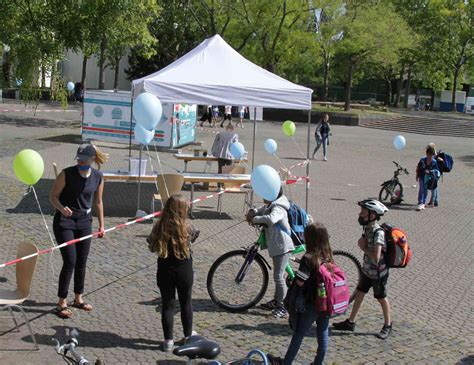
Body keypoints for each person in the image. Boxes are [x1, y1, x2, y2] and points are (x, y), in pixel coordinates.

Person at [49, 144, 108, 318]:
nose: (81, 162)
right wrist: (61, 208)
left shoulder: (98, 176)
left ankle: (78, 298)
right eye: (79, 160)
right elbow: (52, 197)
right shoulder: (66, 174)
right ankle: (61, 302)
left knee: (82, 261)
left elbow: (98, 202)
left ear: (91, 160)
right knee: (70, 261)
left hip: (84, 222)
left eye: (84, 160)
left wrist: (101, 225)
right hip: (65, 222)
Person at [267, 222, 332, 365]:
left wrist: (294, 277)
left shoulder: (309, 258)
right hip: (325, 301)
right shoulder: (327, 255)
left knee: (298, 335)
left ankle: (286, 362)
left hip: (311, 303)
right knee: (322, 333)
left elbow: (301, 281)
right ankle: (318, 362)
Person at [333, 199, 393, 340]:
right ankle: (351, 322)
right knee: (359, 293)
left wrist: (363, 248)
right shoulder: (367, 228)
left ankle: (388, 325)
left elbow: (376, 257)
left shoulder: (379, 233)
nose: (360, 215)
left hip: (378, 273)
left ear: (372, 215)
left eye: (363, 213)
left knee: (381, 298)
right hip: (367, 270)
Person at [148, 194, 200, 352]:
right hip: (184, 270)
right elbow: (196, 234)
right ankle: (188, 337)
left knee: (167, 305)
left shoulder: (159, 226)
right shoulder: (188, 227)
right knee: (186, 303)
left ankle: (168, 341)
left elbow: (151, 244)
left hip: (165, 270)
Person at [246, 188, 294, 318]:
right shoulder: (271, 204)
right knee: (279, 275)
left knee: (278, 276)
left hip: (282, 246)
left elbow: (272, 219)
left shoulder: (279, 207)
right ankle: (277, 300)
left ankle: (283, 307)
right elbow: (262, 209)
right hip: (276, 245)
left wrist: (255, 219)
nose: (263, 196)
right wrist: (252, 212)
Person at [415, 144, 440, 211]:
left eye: (430, 155)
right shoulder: (422, 160)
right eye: (428, 155)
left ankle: (423, 202)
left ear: (432, 155)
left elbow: (437, 171)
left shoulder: (434, 162)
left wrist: (431, 171)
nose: (429, 157)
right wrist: (417, 176)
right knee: (422, 189)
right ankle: (421, 202)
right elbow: (418, 168)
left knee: (425, 190)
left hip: (428, 178)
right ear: (426, 154)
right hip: (421, 176)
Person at [427, 142, 443, 207]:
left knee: (433, 187)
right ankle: (435, 200)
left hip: (436, 173)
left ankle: (433, 201)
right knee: (435, 187)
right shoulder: (435, 154)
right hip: (437, 173)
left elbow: (439, 160)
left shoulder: (434, 155)